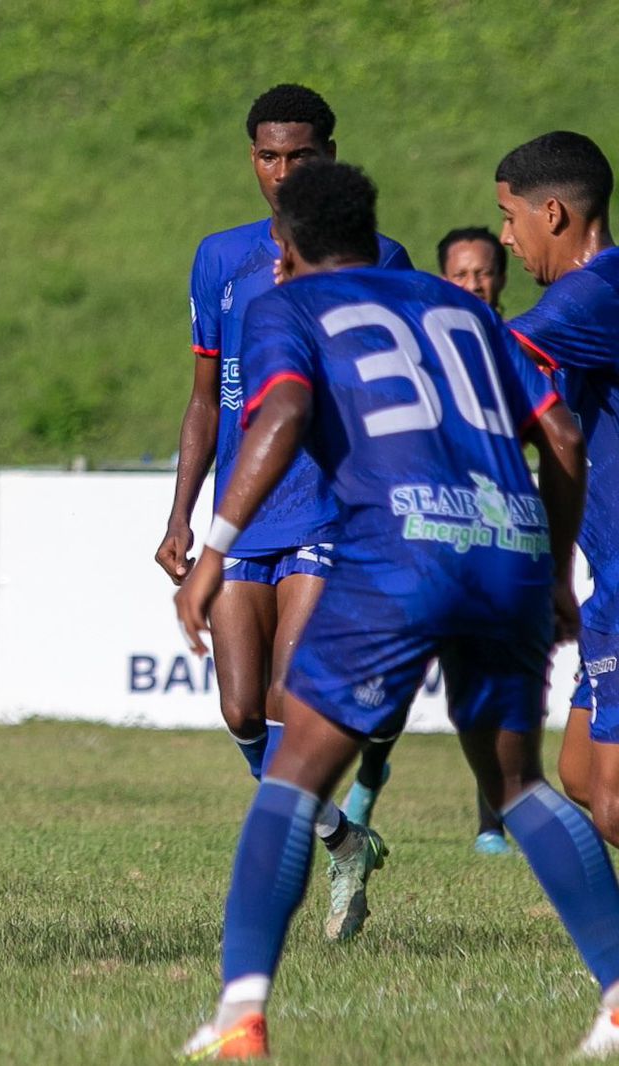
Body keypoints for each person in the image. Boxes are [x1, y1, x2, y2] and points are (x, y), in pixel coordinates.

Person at [173, 161, 619, 1061]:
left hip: (400, 547)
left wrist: (214, 546)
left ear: (288, 250)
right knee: (517, 783)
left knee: (295, 774)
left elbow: (285, 410)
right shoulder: (454, 303)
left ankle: (241, 1019)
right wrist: (554, 568)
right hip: (506, 546)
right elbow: (562, 434)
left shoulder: (284, 306)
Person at [156, 84, 412, 940]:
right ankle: (345, 841)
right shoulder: (218, 259)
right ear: (252, 159)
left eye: (300, 156)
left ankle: (307, 873)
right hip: (243, 515)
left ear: (330, 156)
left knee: (288, 698)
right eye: (269, 155)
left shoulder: (384, 259)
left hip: (332, 513)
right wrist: (180, 514)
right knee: (238, 711)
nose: (283, 171)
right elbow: (204, 400)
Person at [494, 133, 619, 865]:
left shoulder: (591, 294)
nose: (507, 237)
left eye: (510, 217)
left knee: (610, 801)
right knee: (578, 773)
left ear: (554, 212)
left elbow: (488, 359)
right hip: (608, 583)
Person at [436, 224, 515, 855]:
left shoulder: (523, 347)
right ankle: (363, 797)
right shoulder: (422, 356)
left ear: (501, 278)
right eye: (460, 275)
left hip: (501, 538)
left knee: (484, 681)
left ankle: (492, 820)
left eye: (483, 273)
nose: (472, 284)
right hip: (428, 534)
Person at [438, 226, 509, 313]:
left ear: (502, 280)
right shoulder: (427, 326)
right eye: (460, 275)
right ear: (443, 282)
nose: (473, 286)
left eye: (484, 274)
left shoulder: (517, 326)